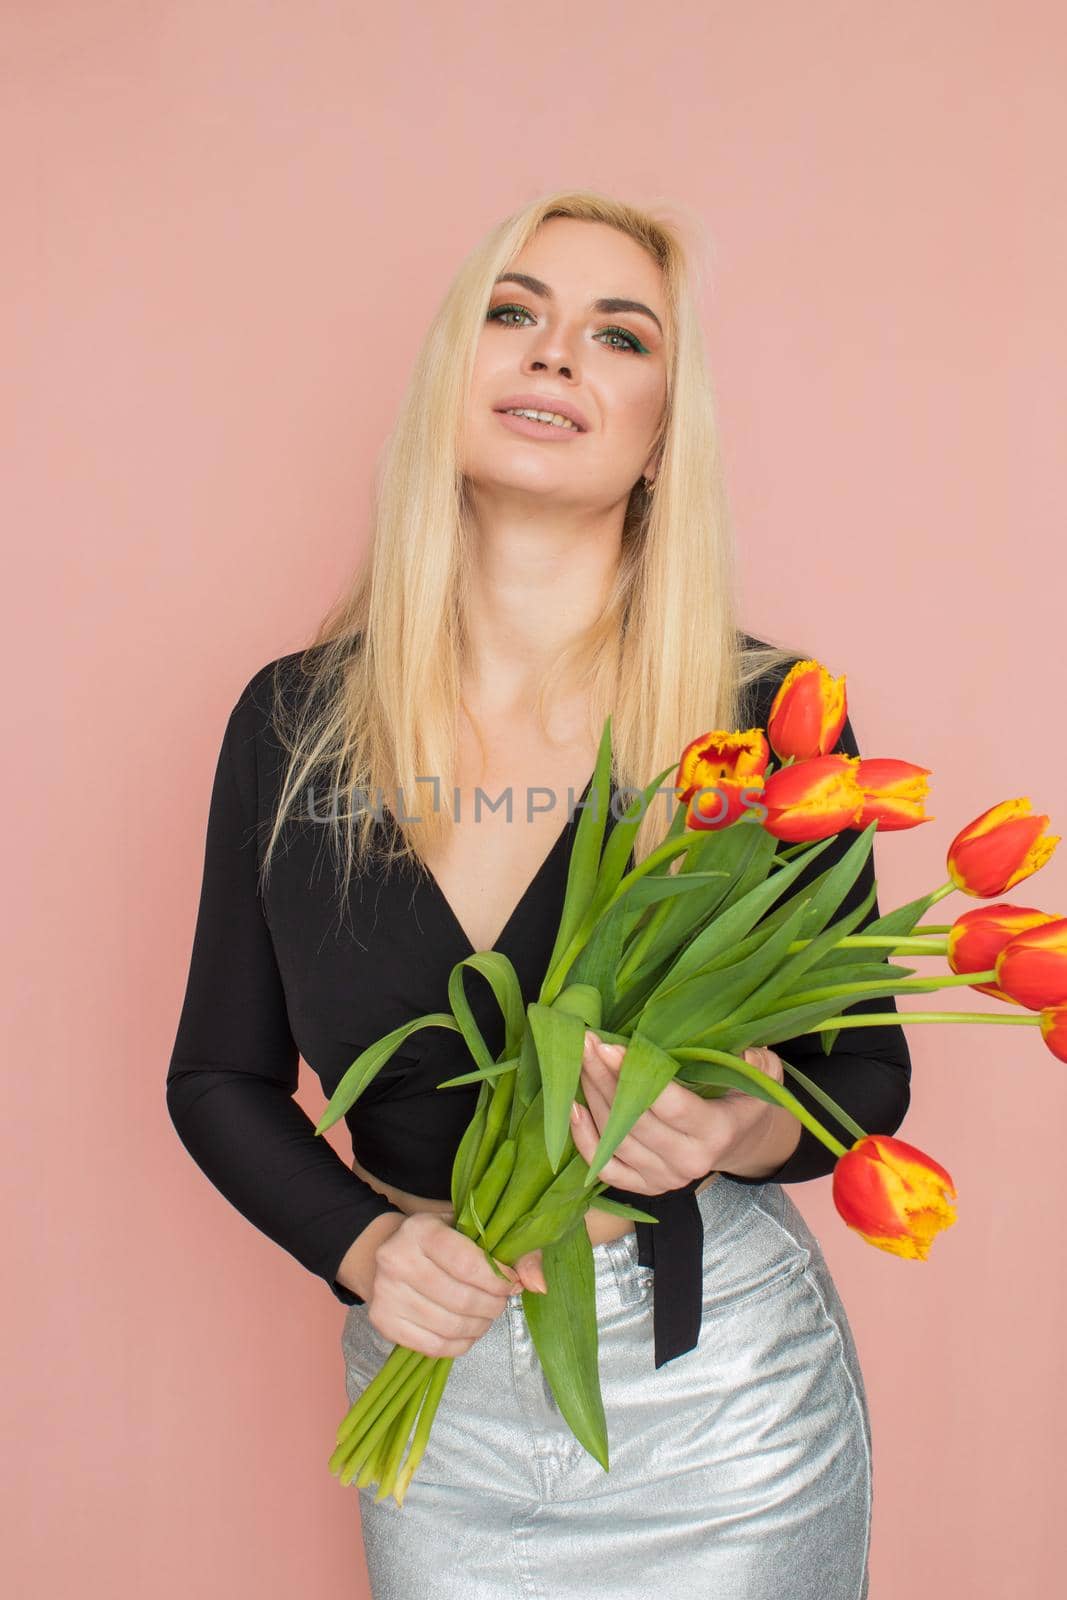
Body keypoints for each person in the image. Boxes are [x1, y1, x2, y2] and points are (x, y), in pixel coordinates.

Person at [167, 189, 911, 1599]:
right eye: (515, 315)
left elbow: (865, 1074)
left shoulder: (762, 728)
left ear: (658, 439)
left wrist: (737, 1125)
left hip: (723, 1405)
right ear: (455, 375)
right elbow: (217, 1073)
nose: (557, 354)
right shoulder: (294, 725)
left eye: (617, 336)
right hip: (433, 1409)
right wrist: (367, 1247)